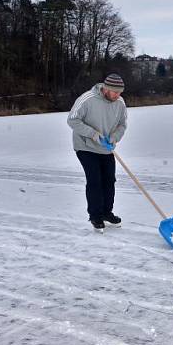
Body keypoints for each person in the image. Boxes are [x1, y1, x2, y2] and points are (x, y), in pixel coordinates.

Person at [67, 74, 128, 231]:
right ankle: (95, 216)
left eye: (120, 92)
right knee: (95, 180)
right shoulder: (87, 99)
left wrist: (114, 138)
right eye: (115, 92)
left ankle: (107, 212)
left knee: (109, 180)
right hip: (85, 146)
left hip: (106, 148)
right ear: (105, 89)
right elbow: (72, 120)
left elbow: (122, 124)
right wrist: (94, 134)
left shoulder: (120, 102)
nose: (117, 95)